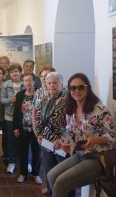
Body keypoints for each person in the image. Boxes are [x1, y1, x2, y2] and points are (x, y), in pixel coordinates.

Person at [47, 73, 116, 197]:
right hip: (80, 155)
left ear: (87, 88)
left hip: (97, 158)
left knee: (61, 183)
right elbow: (69, 133)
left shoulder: (99, 109)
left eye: (80, 87)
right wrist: (61, 142)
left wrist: (96, 139)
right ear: (69, 90)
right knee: (51, 176)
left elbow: (111, 136)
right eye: (73, 88)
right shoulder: (71, 109)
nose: (76, 91)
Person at [34, 72, 74, 197]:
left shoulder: (68, 100)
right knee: (50, 172)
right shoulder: (44, 98)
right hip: (47, 143)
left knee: (65, 174)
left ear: (61, 84)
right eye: (49, 83)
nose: (52, 85)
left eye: (55, 83)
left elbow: (73, 124)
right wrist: (39, 133)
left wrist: (62, 140)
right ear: (45, 84)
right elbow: (38, 117)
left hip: (63, 144)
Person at [13, 73, 42, 184]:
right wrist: (15, 127)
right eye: (25, 81)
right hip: (23, 128)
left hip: (36, 130)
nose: (28, 83)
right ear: (23, 82)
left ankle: (36, 174)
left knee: (36, 152)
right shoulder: (20, 94)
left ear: (34, 81)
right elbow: (16, 112)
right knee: (23, 152)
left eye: (30, 80)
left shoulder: (39, 93)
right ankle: (23, 173)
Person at [31, 66, 56, 194]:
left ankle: (57, 188)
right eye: (42, 76)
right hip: (43, 135)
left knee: (58, 164)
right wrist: (37, 132)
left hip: (58, 137)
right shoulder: (39, 92)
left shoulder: (60, 92)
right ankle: (49, 186)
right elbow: (34, 113)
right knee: (47, 163)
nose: (45, 79)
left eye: (48, 76)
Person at [0, 62, 23, 173]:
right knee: (11, 140)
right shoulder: (6, 84)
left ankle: (26, 163)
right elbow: (2, 100)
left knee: (24, 140)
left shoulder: (25, 83)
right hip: (9, 116)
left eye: (16, 71)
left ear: (20, 72)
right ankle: (11, 162)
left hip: (23, 117)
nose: (14, 73)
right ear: (9, 73)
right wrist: (10, 100)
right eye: (12, 72)